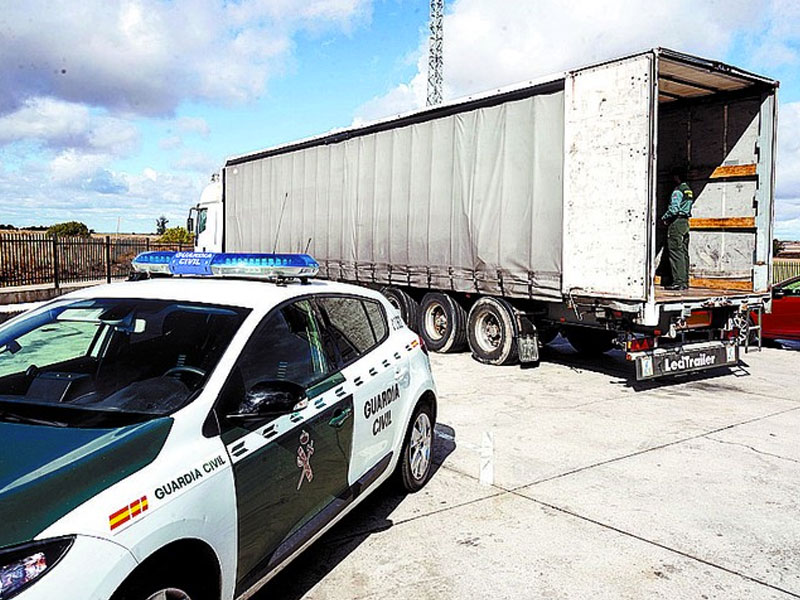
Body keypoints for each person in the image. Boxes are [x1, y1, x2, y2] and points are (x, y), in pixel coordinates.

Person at [661, 166, 694, 290]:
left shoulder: (677, 191)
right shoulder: (688, 190)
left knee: (675, 252)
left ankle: (678, 282)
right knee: (684, 252)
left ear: (676, 177)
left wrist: (664, 218)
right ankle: (684, 281)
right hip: (685, 222)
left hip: (676, 223)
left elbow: (674, 209)